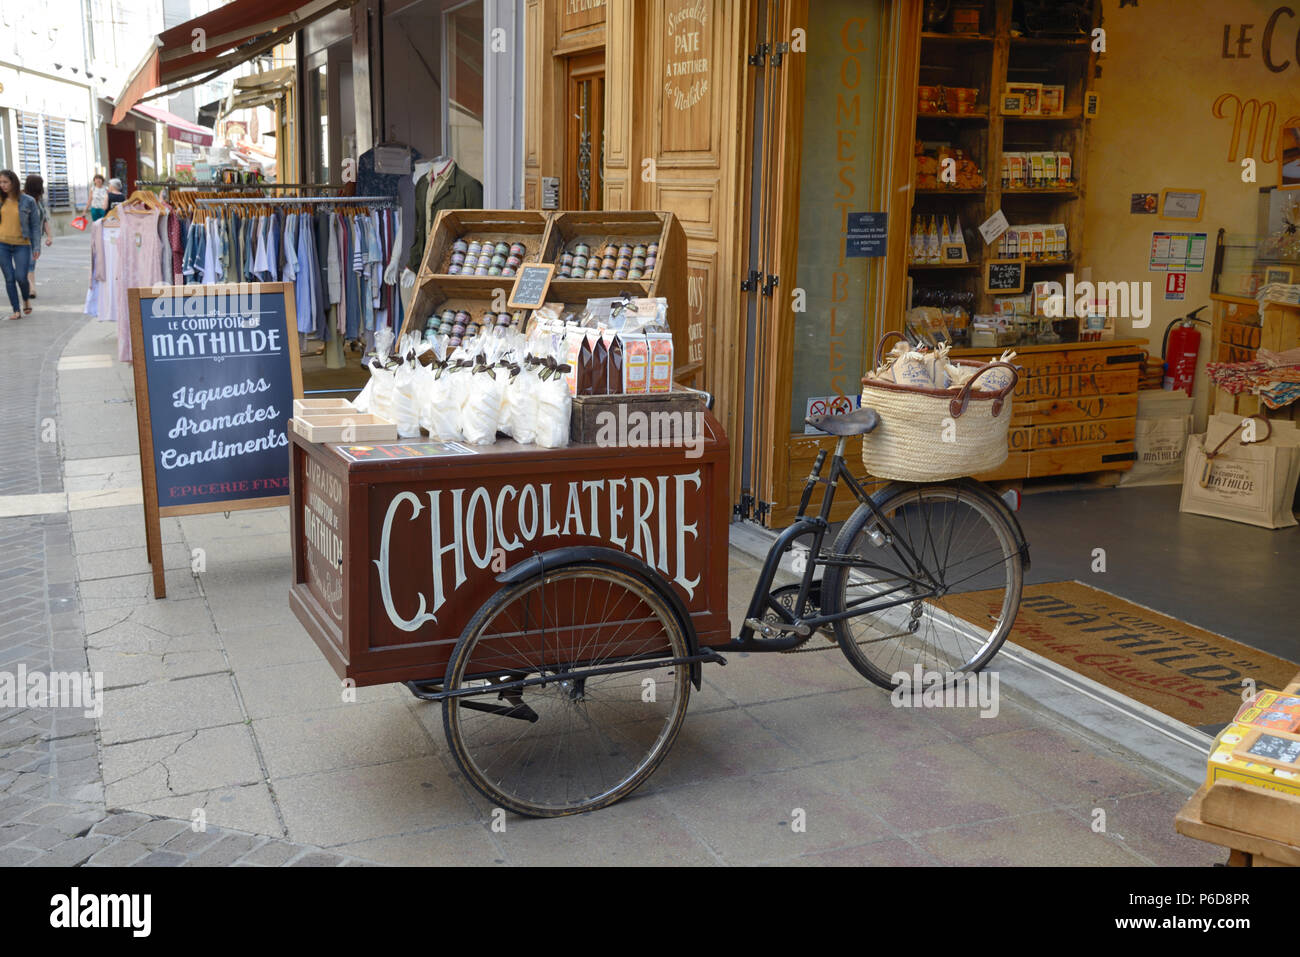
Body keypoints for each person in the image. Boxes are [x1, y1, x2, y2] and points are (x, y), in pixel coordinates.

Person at [0, 170, 42, 320]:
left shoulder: (28, 200)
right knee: (9, 278)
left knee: (21, 277)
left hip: (22, 244)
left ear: (13, 183)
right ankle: (16, 310)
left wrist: (36, 247)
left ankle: (25, 299)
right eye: (0, 182)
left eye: (5, 182)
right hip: (2, 245)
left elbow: (35, 226)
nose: (2, 185)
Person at [22, 174, 53, 299]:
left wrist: (49, 236)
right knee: (27, 262)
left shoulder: (39, 200)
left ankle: (30, 287)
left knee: (31, 262)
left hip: (35, 237)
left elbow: (44, 219)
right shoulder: (22, 198)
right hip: (22, 237)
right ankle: (31, 288)